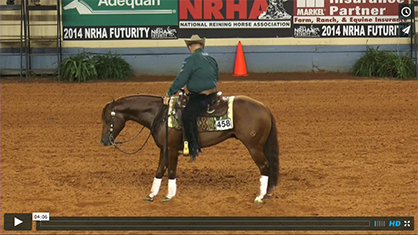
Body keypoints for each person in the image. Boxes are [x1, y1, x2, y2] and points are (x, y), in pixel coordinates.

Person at [163, 34, 219, 161]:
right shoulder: (211, 59)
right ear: (202, 46)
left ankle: (193, 146)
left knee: (187, 115)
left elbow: (181, 79)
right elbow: (216, 77)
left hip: (200, 96)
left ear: (190, 47)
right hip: (213, 94)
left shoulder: (191, 60)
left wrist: (169, 93)